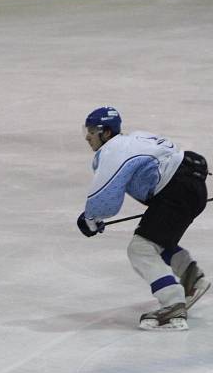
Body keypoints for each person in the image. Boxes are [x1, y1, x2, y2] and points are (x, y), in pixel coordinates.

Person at [77, 107, 210, 330]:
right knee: (155, 239)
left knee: (140, 248)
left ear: (107, 133)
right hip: (190, 185)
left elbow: (106, 197)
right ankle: (192, 279)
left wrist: (90, 220)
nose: (88, 136)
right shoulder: (136, 137)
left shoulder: (112, 150)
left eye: (92, 131)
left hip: (176, 191)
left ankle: (172, 304)